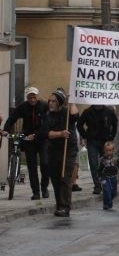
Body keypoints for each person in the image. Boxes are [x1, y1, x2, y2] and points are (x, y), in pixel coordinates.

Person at [2, 86, 50, 200]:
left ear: (37, 97)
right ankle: (36, 192)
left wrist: (36, 135)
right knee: (32, 167)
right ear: (27, 97)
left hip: (42, 138)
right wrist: (5, 129)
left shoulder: (44, 106)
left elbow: (47, 124)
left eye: (34, 97)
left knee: (45, 163)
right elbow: (12, 118)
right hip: (28, 140)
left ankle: (44, 188)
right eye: (30, 97)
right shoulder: (23, 107)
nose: (32, 99)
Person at [45, 89, 79, 217]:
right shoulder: (47, 115)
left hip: (68, 149)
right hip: (53, 149)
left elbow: (75, 116)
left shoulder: (67, 111)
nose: (51, 103)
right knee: (55, 179)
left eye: (54, 101)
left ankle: (65, 206)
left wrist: (72, 101)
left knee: (65, 177)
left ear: (59, 102)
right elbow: (46, 133)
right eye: (50, 101)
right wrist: (60, 134)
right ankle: (59, 204)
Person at [77, 104, 118, 195]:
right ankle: (97, 185)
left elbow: (115, 124)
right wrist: (85, 135)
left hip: (105, 140)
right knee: (93, 163)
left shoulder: (108, 111)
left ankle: (108, 182)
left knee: (107, 162)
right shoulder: (87, 112)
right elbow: (79, 125)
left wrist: (111, 136)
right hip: (93, 141)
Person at [98, 141, 119, 210]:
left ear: (113, 150)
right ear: (104, 150)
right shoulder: (102, 160)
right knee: (106, 190)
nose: (108, 152)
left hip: (113, 177)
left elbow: (118, 166)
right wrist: (100, 178)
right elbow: (99, 169)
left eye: (110, 150)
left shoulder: (115, 159)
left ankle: (109, 200)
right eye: (107, 150)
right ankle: (107, 204)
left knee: (113, 192)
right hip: (105, 177)